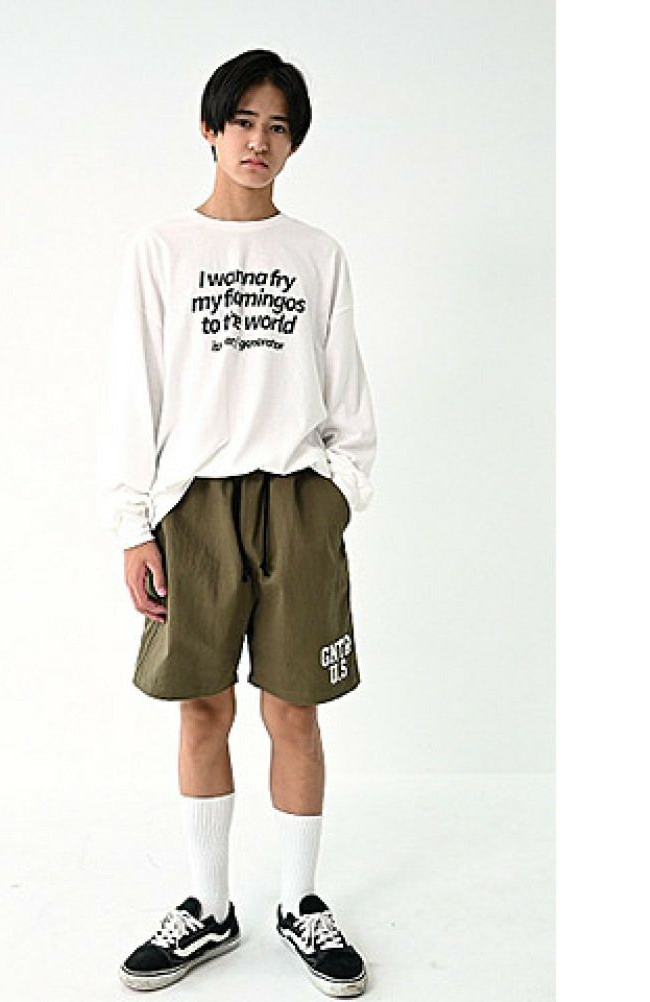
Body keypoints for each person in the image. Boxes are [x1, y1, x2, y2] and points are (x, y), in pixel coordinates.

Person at [95, 48, 377, 997]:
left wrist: (334, 498)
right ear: (210, 130)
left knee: (294, 708)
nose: (260, 140)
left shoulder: (317, 255)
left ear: (293, 144)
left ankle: (300, 903)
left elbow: (348, 396)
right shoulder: (162, 248)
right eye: (245, 121)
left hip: (296, 499)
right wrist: (134, 523)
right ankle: (209, 908)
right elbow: (134, 392)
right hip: (194, 507)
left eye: (279, 127)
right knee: (202, 705)